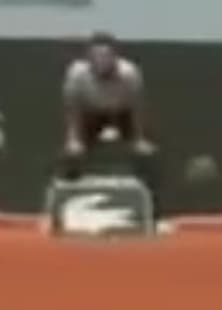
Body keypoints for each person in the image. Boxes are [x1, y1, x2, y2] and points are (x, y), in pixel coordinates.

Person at [59, 32, 165, 226]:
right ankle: (61, 214)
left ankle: (154, 218)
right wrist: (73, 138)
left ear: (115, 57)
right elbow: (72, 108)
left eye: (106, 56)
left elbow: (137, 107)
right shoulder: (76, 74)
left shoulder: (130, 73)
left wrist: (139, 138)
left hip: (123, 114)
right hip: (91, 115)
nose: (101, 61)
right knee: (71, 155)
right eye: (96, 56)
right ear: (88, 57)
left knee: (146, 155)